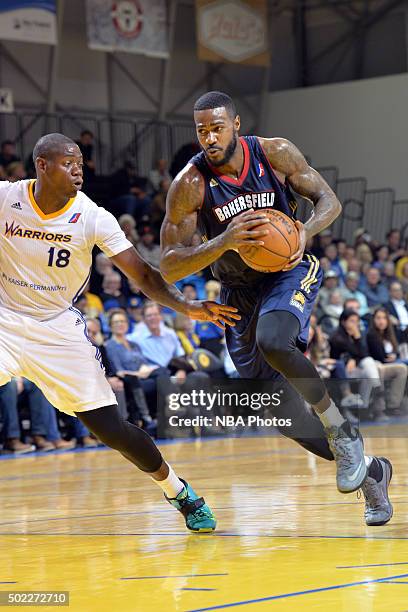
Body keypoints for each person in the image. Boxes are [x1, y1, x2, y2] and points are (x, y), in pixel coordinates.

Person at [160, 91, 392, 526]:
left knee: (274, 340)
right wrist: (223, 241)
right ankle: (374, 473)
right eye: (201, 130)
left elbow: (330, 202)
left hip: (289, 271)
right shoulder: (190, 184)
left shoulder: (274, 152)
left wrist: (304, 231)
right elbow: (170, 264)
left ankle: (342, 431)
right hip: (238, 295)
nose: (209, 137)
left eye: (217, 127)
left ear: (236, 124)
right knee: (279, 412)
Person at [0, 132, 240, 532]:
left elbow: (143, 274)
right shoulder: (7, 198)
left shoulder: (93, 216)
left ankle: (179, 491)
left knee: (110, 428)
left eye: (80, 162)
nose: (79, 169)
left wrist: (187, 306)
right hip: (5, 319)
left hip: (57, 329)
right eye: (68, 162)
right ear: (42, 166)